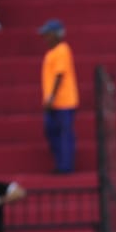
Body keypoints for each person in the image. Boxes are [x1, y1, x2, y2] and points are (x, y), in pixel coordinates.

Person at [38, 19, 79, 174]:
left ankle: (65, 166)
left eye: (47, 34)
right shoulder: (52, 52)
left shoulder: (62, 49)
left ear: (56, 35)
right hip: (55, 102)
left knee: (63, 133)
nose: (45, 38)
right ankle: (60, 163)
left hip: (64, 101)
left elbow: (59, 75)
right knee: (52, 132)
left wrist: (51, 97)